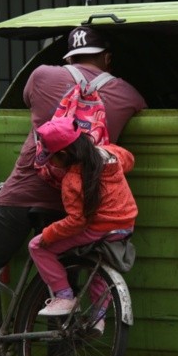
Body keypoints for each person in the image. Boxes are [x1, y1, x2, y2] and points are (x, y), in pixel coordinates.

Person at [0, 26, 146, 356]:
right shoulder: (127, 93)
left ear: (67, 57)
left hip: (24, 193)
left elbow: (29, 104)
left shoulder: (42, 75)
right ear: (107, 58)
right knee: (64, 286)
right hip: (82, 205)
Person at [28, 116, 137, 337]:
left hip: (98, 228)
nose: (50, 163)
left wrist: (48, 233)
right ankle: (97, 320)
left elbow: (77, 221)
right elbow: (130, 160)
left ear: (64, 155)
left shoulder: (72, 180)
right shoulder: (110, 154)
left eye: (51, 158)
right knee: (98, 269)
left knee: (37, 247)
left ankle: (65, 295)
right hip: (125, 225)